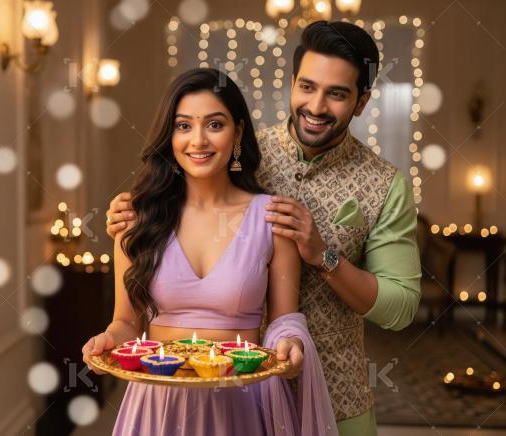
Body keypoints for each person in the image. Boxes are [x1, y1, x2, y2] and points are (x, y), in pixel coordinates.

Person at [103, 21, 422, 436]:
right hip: (229, 396)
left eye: (338, 93)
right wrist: (133, 212)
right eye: (307, 86)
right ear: (292, 83)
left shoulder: (385, 184)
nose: (317, 105)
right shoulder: (235, 150)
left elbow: (400, 308)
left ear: (361, 102)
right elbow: (179, 194)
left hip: (334, 392)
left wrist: (323, 255)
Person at [82, 67, 336, 435]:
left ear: (238, 132)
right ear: (169, 136)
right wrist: (109, 338)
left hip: (243, 400)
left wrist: (291, 344)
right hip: (158, 404)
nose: (198, 140)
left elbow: (284, 319)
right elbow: (125, 323)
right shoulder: (136, 220)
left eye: (214, 125)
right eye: (184, 126)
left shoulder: (271, 218)